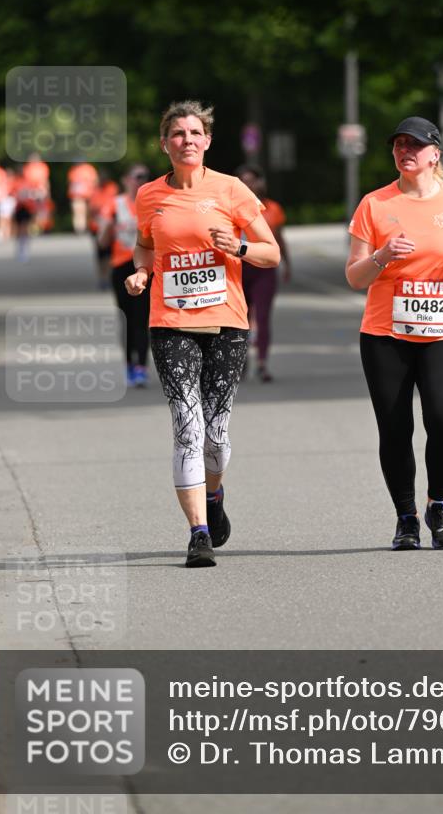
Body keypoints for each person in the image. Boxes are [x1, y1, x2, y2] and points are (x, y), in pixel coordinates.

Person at [125, 101, 280, 568]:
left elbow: (271, 253)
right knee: (187, 426)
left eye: (195, 133)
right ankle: (198, 533)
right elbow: (144, 245)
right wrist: (141, 272)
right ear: (164, 144)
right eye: (178, 134)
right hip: (171, 324)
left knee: (216, 433)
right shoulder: (149, 195)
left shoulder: (231, 190)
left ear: (207, 141)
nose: (187, 140)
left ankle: (214, 496)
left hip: (226, 323)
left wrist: (241, 246)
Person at [346, 116, 443, 551]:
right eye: (399, 144)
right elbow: (354, 276)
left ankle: (437, 504)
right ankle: (406, 517)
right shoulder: (374, 204)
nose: (405, 150)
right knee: (395, 428)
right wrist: (383, 255)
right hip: (386, 334)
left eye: (415, 144)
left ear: (434, 154)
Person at [236, 163, 291, 381]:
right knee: (240, 318)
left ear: (261, 183)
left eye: (251, 180)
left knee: (262, 316)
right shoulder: (231, 208)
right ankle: (241, 360)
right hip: (239, 268)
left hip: (264, 269)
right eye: (243, 181)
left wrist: (287, 264)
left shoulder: (272, 209)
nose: (248, 185)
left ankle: (262, 362)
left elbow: (279, 239)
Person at [99, 165, 151, 387]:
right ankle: (129, 363)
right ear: (126, 180)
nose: (141, 181)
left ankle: (142, 367)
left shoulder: (152, 203)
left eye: (145, 177)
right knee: (127, 318)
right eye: (137, 177)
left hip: (145, 267)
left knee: (142, 318)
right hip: (121, 266)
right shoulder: (114, 204)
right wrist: (108, 227)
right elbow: (102, 242)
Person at [88, 170, 119, 289]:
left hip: (109, 227)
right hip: (96, 227)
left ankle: (109, 277)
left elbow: (115, 206)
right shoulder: (94, 190)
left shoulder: (112, 188)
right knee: (100, 255)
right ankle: (102, 278)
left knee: (110, 254)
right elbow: (92, 209)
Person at [67, 162, 99, 234]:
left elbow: (70, 183)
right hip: (80, 195)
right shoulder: (87, 169)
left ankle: (85, 228)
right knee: (79, 212)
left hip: (87, 195)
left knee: (86, 213)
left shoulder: (86, 169)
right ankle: (80, 229)